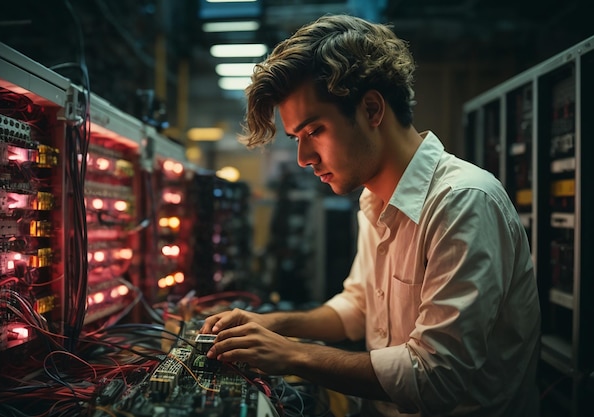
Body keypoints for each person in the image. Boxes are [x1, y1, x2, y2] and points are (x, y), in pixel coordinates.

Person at [200, 14, 541, 417]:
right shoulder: (375, 200)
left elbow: (436, 377)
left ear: (372, 109)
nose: (304, 158)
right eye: (297, 139)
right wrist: (273, 324)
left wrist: (289, 354)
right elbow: (359, 308)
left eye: (315, 131)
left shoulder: (463, 202)